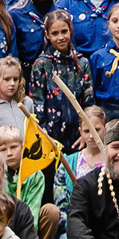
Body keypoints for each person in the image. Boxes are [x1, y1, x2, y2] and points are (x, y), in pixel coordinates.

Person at [26, 13, 94, 153]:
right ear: (48, 35)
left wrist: (86, 133)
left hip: (78, 137)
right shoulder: (42, 64)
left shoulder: (82, 62)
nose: (61, 37)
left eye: (64, 31)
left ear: (70, 30)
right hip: (51, 138)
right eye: (55, 33)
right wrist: (46, 136)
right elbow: (37, 104)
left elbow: (89, 101)